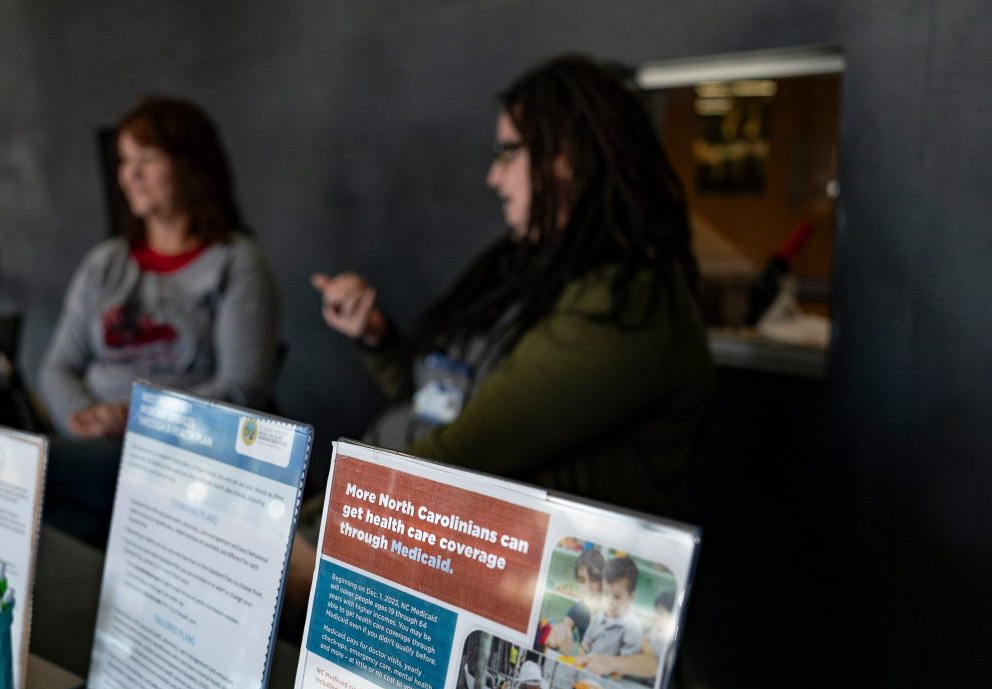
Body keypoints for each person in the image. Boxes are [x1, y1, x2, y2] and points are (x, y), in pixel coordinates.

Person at [287, 54, 713, 613]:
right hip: (404, 527)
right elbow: (446, 401)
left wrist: (310, 528)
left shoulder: (627, 303)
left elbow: (466, 454)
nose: (494, 175)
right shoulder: (530, 270)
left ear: (563, 156)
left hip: (478, 578)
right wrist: (380, 340)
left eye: (507, 151)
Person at [39, 95, 279, 545]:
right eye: (125, 161)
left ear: (189, 166)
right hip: (96, 447)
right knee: (63, 527)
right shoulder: (104, 263)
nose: (130, 175)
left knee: (27, 471)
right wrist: (84, 418)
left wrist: (135, 417)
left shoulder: (236, 262)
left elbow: (244, 388)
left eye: (146, 159)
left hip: (184, 455)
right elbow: (58, 366)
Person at [572, 555, 659, 679]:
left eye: (617, 597)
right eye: (606, 594)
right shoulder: (598, 616)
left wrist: (611, 672)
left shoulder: (632, 624)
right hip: (588, 670)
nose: (610, 602)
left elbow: (626, 662)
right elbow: (586, 642)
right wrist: (582, 652)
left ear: (631, 597)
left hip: (610, 678)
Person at [538, 546, 605, 652]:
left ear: (603, 581)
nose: (587, 587)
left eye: (593, 580)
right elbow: (565, 626)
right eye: (582, 580)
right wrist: (557, 634)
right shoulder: (578, 609)